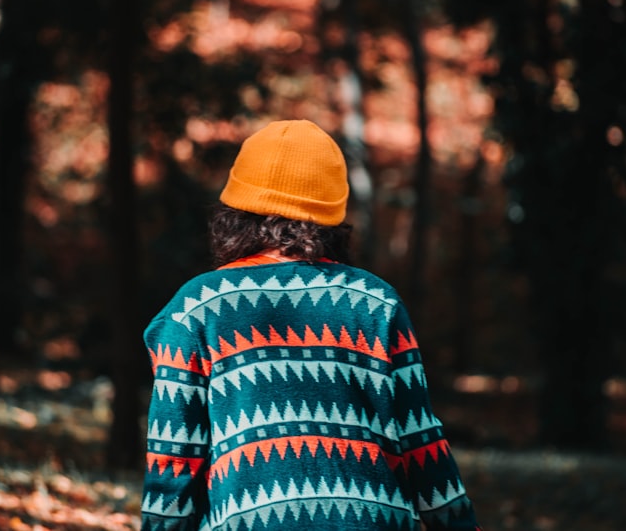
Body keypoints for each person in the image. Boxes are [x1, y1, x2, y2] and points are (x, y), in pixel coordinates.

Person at [140, 119, 482, 531]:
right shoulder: (378, 301)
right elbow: (420, 442)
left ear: (235, 210)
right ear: (333, 216)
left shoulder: (197, 306)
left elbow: (174, 454)